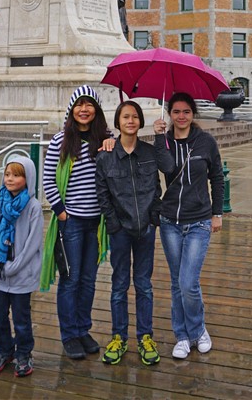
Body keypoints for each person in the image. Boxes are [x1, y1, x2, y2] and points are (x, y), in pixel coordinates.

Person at [41, 85, 113, 360]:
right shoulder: (61, 140)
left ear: (96, 109)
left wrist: (111, 143)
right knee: (71, 280)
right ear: (72, 110)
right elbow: (49, 179)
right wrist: (61, 213)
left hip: (96, 222)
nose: (84, 109)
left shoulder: (105, 139)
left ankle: (83, 329)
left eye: (89, 104)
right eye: (79, 104)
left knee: (89, 279)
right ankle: (69, 334)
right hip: (71, 222)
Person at [153, 92, 224, 359]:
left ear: (193, 114)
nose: (181, 117)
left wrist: (218, 213)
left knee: (188, 282)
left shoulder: (205, 142)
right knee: (176, 282)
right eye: (176, 112)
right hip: (170, 220)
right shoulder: (165, 141)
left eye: (186, 112)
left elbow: (217, 178)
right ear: (169, 115)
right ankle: (181, 335)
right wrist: (159, 137)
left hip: (198, 221)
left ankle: (198, 330)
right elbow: (167, 166)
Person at [96, 100, 162, 367]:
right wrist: (113, 224)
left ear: (140, 121)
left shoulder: (149, 153)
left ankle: (145, 336)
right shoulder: (105, 155)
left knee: (144, 285)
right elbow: (103, 194)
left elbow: (156, 188)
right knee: (119, 285)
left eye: (135, 116)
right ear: (118, 122)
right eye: (126, 116)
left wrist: (154, 217)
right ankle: (119, 337)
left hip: (145, 228)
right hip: (120, 230)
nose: (131, 121)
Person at [0, 155, 43, 378]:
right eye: (7, 174)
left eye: (17, 175)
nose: (10, 179)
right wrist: (1, 264)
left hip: (22, 274)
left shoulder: (33, 206)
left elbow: (33, 243)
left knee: (21, 318)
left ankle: (24, 353)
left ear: (28, 178)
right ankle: (4, 350)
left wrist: (15, 265)